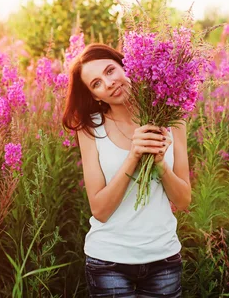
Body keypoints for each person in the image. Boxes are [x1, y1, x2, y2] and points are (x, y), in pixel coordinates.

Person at [62, 43, 191, 298]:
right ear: (95, 96)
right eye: (96, 84)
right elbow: (99, 210)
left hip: (163, 257)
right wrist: (133, 156)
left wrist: (159, 163)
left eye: (110, 71)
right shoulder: (90, 130)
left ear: (127, 65)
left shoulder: (172, 119)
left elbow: (183, 200)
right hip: (108, 261)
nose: (108, 83)